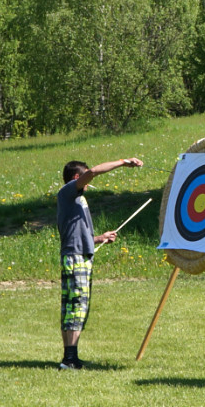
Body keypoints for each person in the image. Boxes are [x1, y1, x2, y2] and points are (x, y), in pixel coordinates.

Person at [56, 158, 144, 370]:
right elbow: (94, 171)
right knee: (76, 307)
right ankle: (69, 359)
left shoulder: (76, 199)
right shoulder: (68, 191)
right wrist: (124, 162)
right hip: (76, 258)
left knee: (74, 307)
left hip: (77, 254)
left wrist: (99, 238)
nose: (89, 183)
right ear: (77, 178)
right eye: (85, 178)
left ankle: (70, 357)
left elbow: (75, 234)